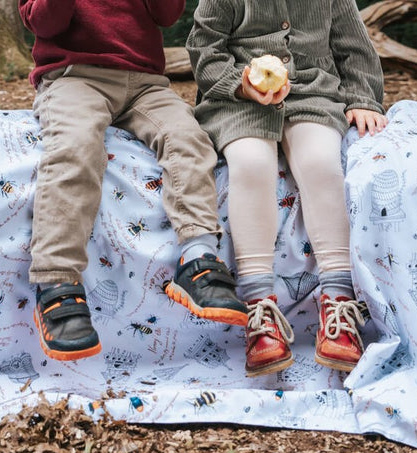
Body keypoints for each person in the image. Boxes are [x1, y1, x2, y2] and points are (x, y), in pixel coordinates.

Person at [19, 0, 249, 362]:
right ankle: (57, 281)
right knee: (75, 147)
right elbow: (45, 23)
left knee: (188, 138)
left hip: (145, 84)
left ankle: (198, 258)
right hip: (75, 76)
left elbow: (167, 15)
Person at [186, 0, 389, 377]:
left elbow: (354, 47)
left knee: (321, 163)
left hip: (313, 95)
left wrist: (363, 98)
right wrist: (240, 84)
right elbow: (204, 50)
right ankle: (260, 309)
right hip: (236, 103)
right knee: (250, 164)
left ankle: (339, 301)